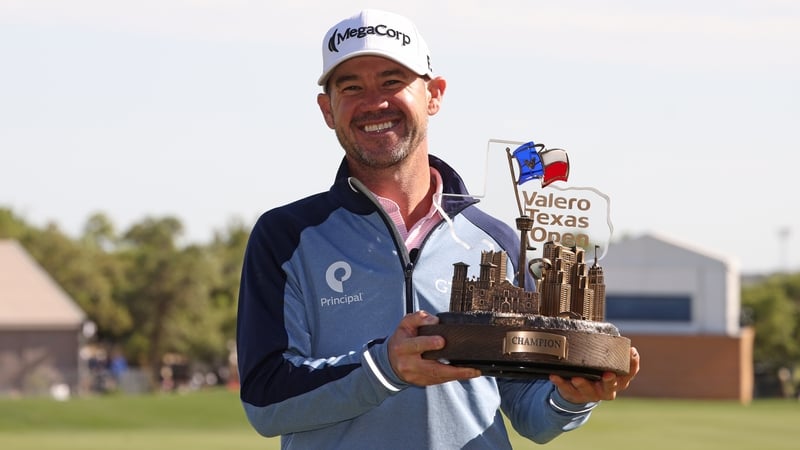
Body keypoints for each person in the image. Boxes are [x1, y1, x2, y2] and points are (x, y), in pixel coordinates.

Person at [236, 9, 640, 449]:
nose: (374, 102)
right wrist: (384, 369)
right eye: (351, 87)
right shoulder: (286, 237)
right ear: (327, 109)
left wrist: (570, 397)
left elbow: (529, 412)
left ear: (434, 95)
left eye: (392, 81)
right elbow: (265, 403)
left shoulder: (497, 239)